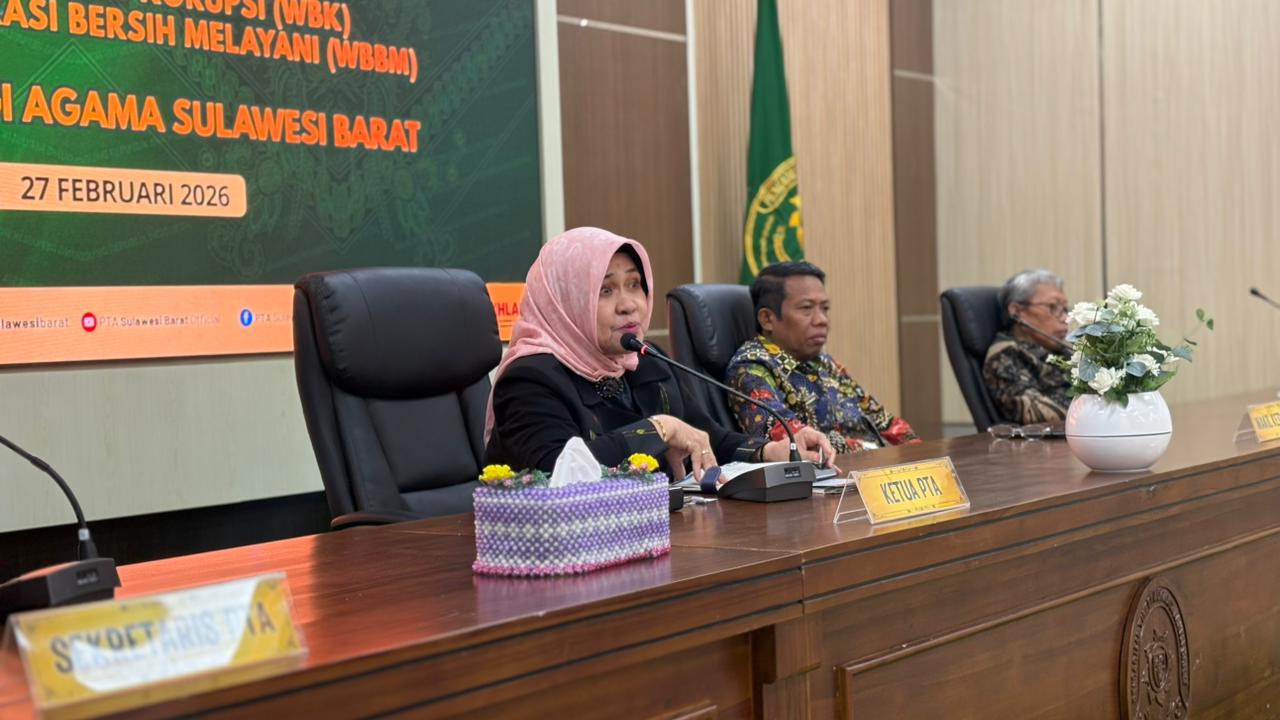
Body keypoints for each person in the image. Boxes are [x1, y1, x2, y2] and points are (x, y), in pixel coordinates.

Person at [484, 227, 834, 481]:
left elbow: (706, 435)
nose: (629, 305)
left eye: (634, 285)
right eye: (605, 290)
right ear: (567, 301)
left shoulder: (645, 360)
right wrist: (659, 429)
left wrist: (770, 450)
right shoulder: (531, 379)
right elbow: (558, 473)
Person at [725, 261, 917, 454]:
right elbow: (796, 442)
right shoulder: (751, 369)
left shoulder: (825, 362)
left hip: (874, 463)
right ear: (767, 319)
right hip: (832, 470)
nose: (822, 320)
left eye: (824, 308)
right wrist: (874, 451)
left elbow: (882, 420)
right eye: (806, 309)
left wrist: (917, 450)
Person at [983, 269, 1074, 425]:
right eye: (1053, 307)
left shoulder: (1061, 349)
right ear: (1017, 312)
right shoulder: (1006, 355)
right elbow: (1034, 412)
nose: (1065, 319)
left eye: (1065, 309)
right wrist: (1094, 407)